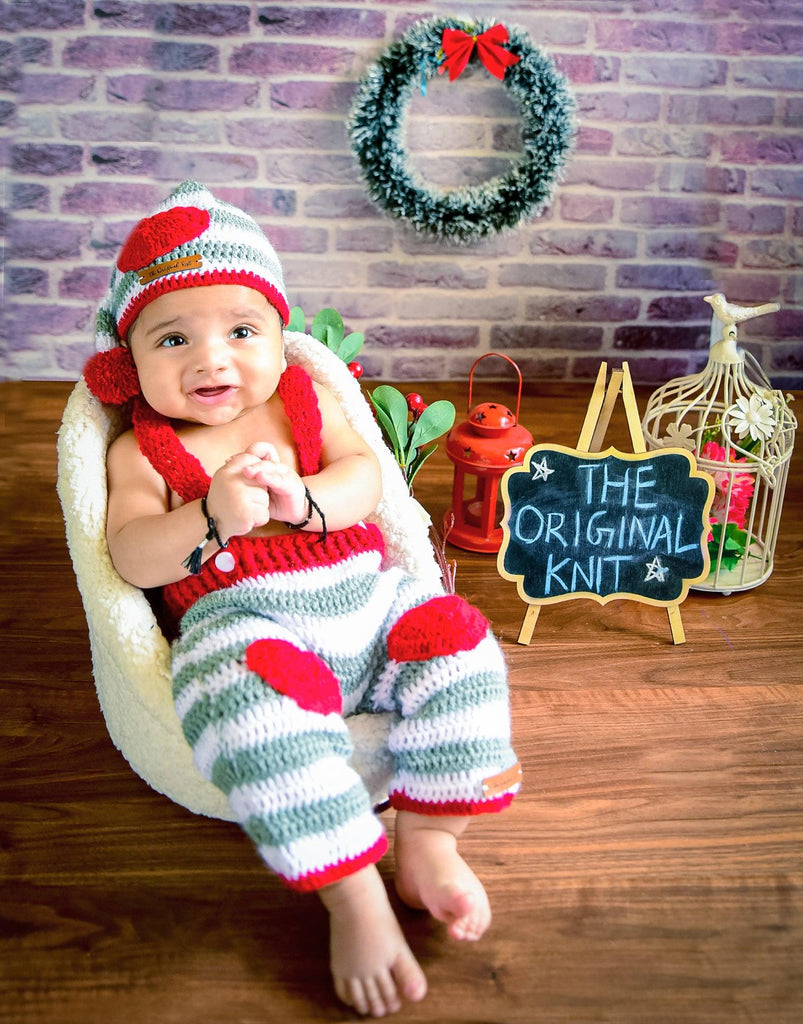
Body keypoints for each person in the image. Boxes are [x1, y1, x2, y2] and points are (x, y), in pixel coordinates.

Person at [83, 181, 521, 1018]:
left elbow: (368, 477)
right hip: (248, 626)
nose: (212, 360)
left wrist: (307, 499)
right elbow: (131, 557)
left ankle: (429, 837)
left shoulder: (305, 402)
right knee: (238, 702)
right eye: (173, 338)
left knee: (459, 642)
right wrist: (208, 515)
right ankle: (351, 893)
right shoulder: (144, 448)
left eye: (242, 332)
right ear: (128, 361)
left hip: (367, 604)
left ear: (279, 340)